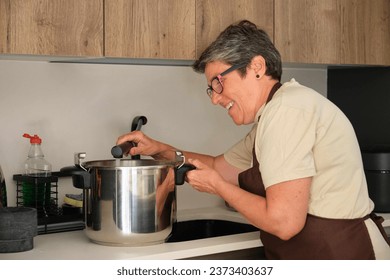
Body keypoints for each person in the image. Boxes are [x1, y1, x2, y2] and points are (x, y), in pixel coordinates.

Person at [117, 20, 390, 259]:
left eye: (218, 83)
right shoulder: (275, 114)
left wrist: (218, 188)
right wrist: (158, 150)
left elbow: (284, 223)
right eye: (210, 89)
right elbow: (217, 167)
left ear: (256, 67)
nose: (214, 99)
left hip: (343, 256)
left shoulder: (288, 111)